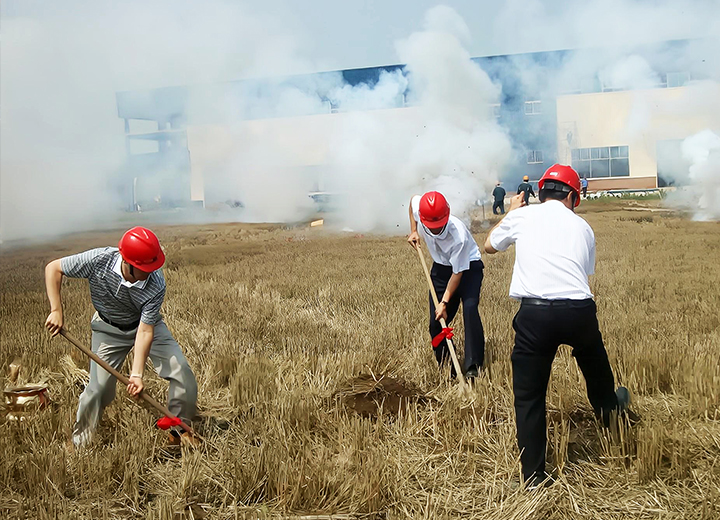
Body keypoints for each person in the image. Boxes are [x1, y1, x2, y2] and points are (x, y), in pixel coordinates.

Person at [483, 164, 636, 488]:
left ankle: (535, 477)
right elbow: (585, 271)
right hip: (579, 310)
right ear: (571, 196)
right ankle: (611, 413)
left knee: (529, 396)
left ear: (541, 192)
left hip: (535, 315)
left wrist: (510, 212)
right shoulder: (583, 227)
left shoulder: (523, 216)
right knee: (597, 370)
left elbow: (489, 246)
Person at [45, 226, 198, 447]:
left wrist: (137, 374)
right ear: (128, 263)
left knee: (182, 372)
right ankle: (80, 443)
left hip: (145, 325)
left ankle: (178, 432)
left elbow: (145, 330)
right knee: (97, 390)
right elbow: (53, 268)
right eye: (145, 267)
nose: (151, 272)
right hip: (108, 329)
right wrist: (56, 310)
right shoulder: (99, 260)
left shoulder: (156, 283)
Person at [408, 191, 485, 379]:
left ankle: (473, 365)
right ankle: (447, 366)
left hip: (468, 268)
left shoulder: (458, 235)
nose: (435, 230)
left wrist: (444, 303)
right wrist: (414, 230)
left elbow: (457, 274)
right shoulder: (421, 209)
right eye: (430, 227)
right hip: (441, 268)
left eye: (438, 226)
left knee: (469, 308)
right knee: (436, 323)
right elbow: (412, 202)